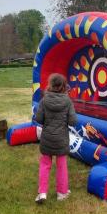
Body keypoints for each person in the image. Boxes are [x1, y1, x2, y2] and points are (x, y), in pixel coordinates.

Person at [34, 73, 77, 203]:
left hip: (47, 138)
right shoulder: (68, 101)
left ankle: (42, 193)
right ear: (63, 86)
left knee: (45, 164)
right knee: (61, 166)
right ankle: (62, 193)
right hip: (61, 140)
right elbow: (73, 121)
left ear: (50, 85)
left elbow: (39, 119)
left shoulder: (44, 100)